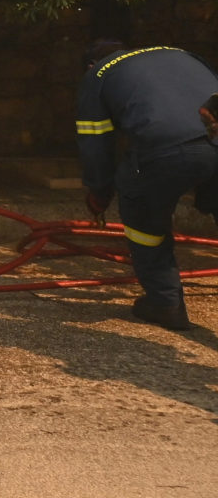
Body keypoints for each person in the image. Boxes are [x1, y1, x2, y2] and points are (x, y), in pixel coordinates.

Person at [75, 39, 218, 330]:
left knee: (140, 205)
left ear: (91, 64)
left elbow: (95, 143)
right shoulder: (182, 53)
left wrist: (99, 192)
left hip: (166, 148)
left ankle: (165, 302)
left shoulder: (98, 74)